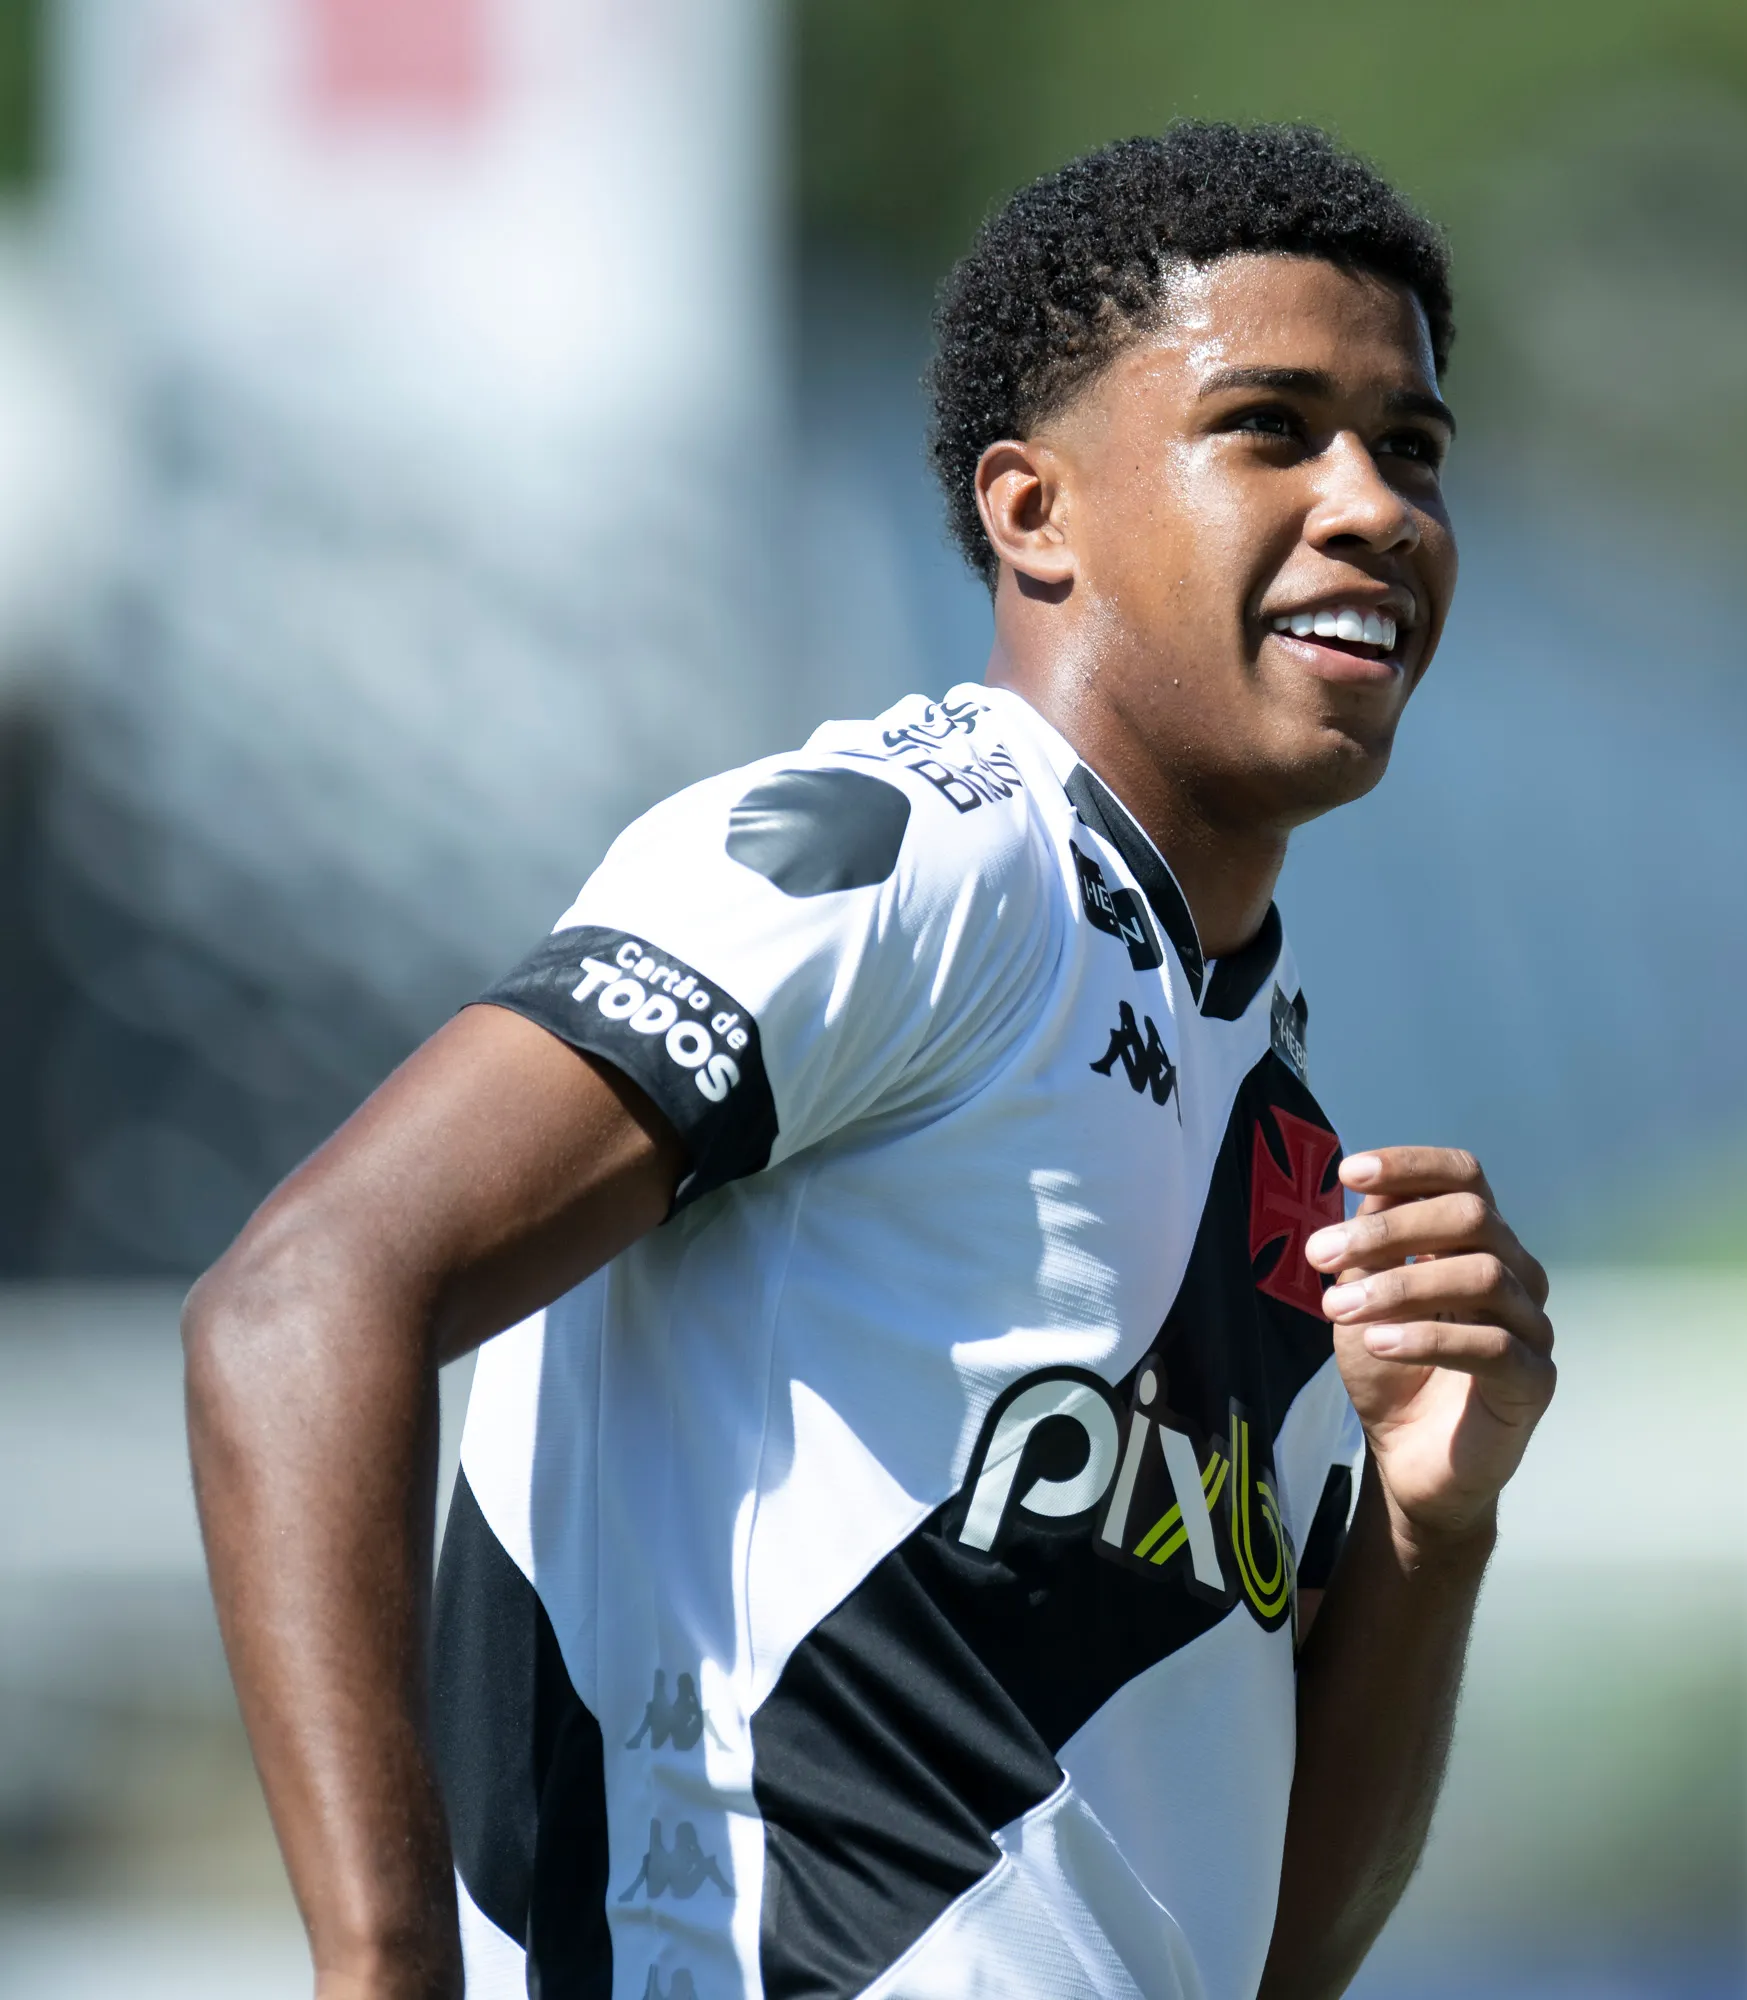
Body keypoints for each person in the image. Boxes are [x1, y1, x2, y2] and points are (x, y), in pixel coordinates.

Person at [183, 122, 1557, 2000]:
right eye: (1272, 428)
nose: (1374, 505)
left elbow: (1269, 1959)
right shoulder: (907, 858)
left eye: (1411, 447)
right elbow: (301, 1297)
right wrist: (383, 1964)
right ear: (1034, 513)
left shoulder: (1276, 1118)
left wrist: (1429, 1525)